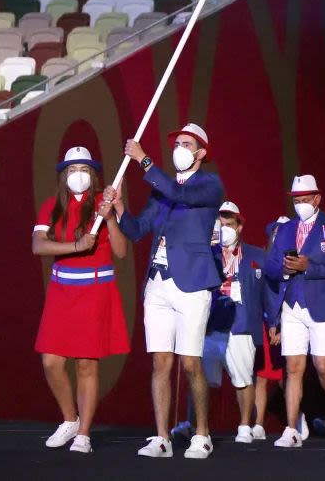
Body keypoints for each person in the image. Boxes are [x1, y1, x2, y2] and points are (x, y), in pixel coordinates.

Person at [110, 124, 222, 459]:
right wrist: (118, 212)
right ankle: (161, 437)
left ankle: (202, 434)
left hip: (191, 283)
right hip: (158, 284)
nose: (180, 148)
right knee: (160, 361)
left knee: (190, 363)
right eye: (177, 143)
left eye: (187, 144)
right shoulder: (162, 191)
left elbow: (182, 195)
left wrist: (143, 160)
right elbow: (137, 229)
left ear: (201, 152)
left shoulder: (209, 185)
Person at [33, 146, 129, 454]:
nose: (79, 176)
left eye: (85, 170)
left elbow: (121, 251)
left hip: (95, 291)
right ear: (63, 176)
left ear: (94, 175)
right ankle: (69, 419)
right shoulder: (51, 206)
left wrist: (110, 216)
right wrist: (77, 245)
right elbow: (38, 245)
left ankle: (84, 434)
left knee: (86, 364)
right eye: (73, 170)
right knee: (51, 361)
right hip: (62, 292)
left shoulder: (103, 205)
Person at [265, 175, 325, 448]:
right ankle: (291, 429)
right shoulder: (286, 229)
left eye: (304, 199)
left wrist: (307, 267)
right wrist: (284, 269)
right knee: (293, 367)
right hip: (292, 304)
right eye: (296, 200)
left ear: (317, 199)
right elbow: (271, 266)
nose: (300, 204)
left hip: (322, 304)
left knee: (323, 366)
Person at [201, 201, 268, 443]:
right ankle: (197, 426)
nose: (224, 228)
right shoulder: (207, 253)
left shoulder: (257, 256)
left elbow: (268, 292)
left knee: (242, 378)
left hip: (241, 324)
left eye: (229, 224)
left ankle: (243, 426)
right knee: (201, 379)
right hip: (210, 325)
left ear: (239, 226)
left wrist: (273, 323)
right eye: (220, 224)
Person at [253, 217, 288, 441]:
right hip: (265, 323)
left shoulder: (293, 262)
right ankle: (257, 424)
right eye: (276, 231)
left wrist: (281, 326)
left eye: (283, 232)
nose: (278, 235)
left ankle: (295, 420)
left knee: (288, 376)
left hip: (288, 324)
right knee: (262, 376)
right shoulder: (263, 258)